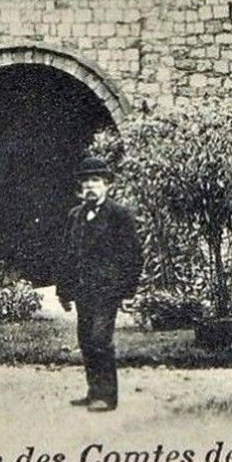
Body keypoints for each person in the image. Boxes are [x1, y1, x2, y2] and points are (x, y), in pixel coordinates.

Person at [55, 156, 143, 412]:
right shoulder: (75, 216)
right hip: (83, 290)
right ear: (80, 188)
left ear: (107, 185)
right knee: (85, 340)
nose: (90, 186)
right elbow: (66, 254)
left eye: (96, 180)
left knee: (100, 338)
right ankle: (94, 391)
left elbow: (133, 255)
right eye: (86, 182)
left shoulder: (118, 215)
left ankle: (107, 396)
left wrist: (128, 291)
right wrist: (64, 291)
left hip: (108, 289)